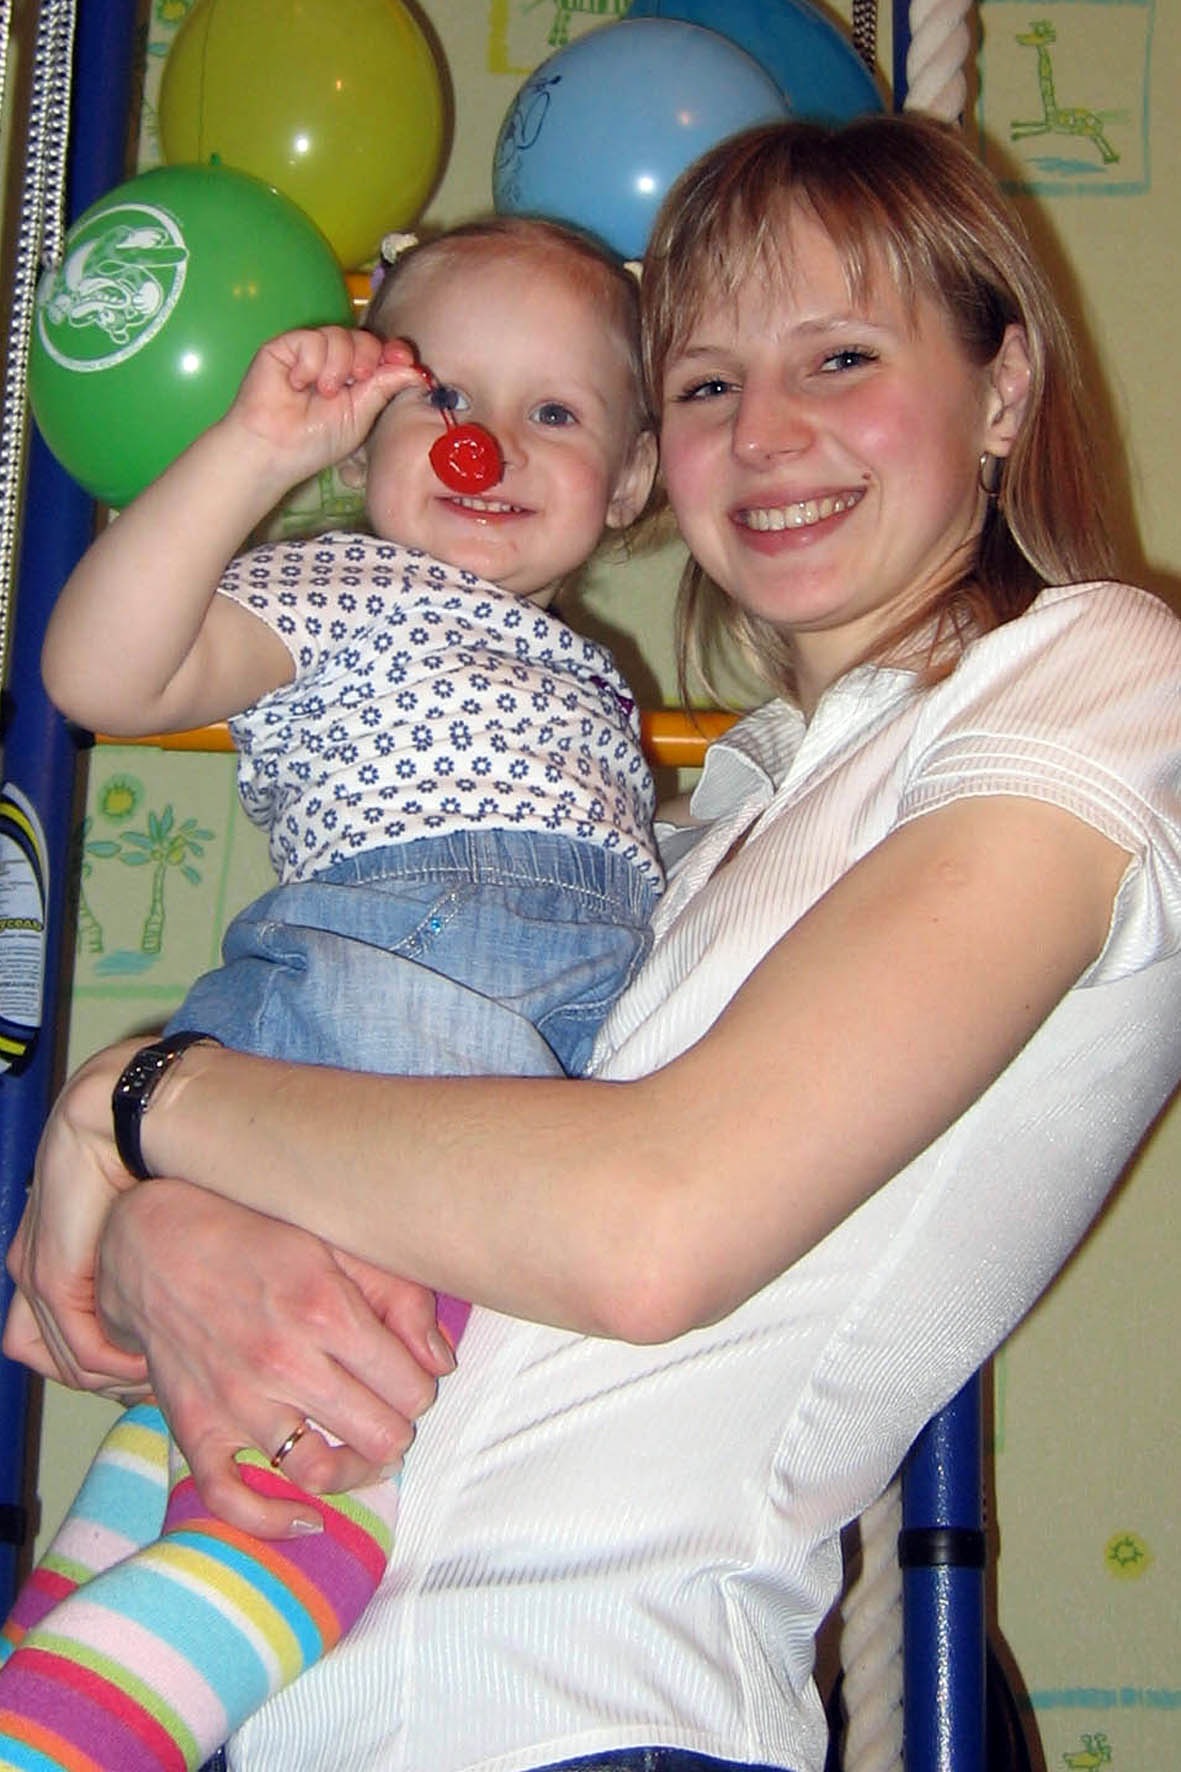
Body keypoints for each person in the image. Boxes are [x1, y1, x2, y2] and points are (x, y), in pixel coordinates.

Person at [7, 112, 1181, 1772]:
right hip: (309, 1716)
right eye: (705, 382)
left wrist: (137, 1104)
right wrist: (173, 1217)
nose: (764, 433)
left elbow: (646, 1228)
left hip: (582, 1712)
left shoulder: (1091, 679)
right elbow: (436, 1170)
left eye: (838, 357)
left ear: (1002, 389)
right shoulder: (697, 832)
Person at [0, 217, 661, 1770]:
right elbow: (100, 677)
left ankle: (54, 1632)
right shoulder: (345, 585)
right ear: (367, 433)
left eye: (554, 412)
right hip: (363, 1040)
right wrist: (253, 450)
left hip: (450, 1085)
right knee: (322, 1501)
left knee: (195, 1456)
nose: (489, 442)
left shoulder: (590, 677)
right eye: (444, 397)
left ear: (630, 481)